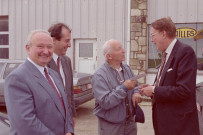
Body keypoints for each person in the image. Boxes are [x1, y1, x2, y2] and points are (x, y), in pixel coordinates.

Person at [4, 29, 74, 135]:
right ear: (28, 48)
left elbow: (65, 107)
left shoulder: (53, 74)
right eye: (40, 46)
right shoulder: (17, 78)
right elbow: (25, 123)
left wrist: (69, 130)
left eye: (49, 47)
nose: (46, 51)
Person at [139, 17, 200, 135]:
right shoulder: (167, 54)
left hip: (179, 126)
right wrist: (152, 89)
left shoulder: (185, 52)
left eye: (152, 35)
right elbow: (167, 84)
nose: (151, 40)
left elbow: (184, 90)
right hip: (165, 124)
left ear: (163, 34)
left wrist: (154, 90)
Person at [92, 39, 142, 135]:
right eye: (119, 49)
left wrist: (136, 92)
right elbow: (105, 102)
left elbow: (135, 83)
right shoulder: (99, 75)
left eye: (122, 47)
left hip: (130, 124)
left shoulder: (127, 68)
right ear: (109, 56)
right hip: (111, 127)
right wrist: (123, 88)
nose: (123, 51)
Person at [47, 23, 76, 126]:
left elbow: (70, 91)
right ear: (54, 40)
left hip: (67, 120)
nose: (69, 45)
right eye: (66, 41)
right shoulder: (44, 63)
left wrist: (72, 115)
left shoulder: (66, 61)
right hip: (51, 122)